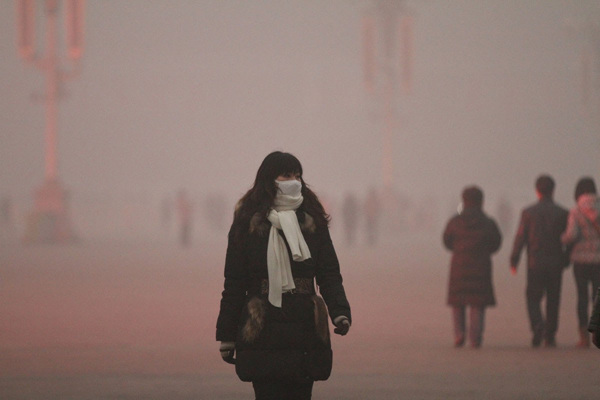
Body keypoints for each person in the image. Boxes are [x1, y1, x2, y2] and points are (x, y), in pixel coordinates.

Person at [216, 151, 352, 399]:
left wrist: (340, 311)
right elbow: (234, 282)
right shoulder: (247, 222)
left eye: (297, 176)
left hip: (304, 325)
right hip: (262, 325)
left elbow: (329, 273)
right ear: (269, 179)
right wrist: (227, 335)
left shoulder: (312, 219)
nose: (294, 181)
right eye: (286, 175)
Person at [510, 175, 569, 348]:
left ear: (537, 191)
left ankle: (537, 326)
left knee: (533, 297)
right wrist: (566, 259)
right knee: (553, 298)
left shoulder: (528, 212)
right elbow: (569, 239)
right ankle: (550, 334)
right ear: (553, 190)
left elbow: (520, 237)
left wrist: (514, 260)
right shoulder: (563, 213)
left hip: (535, 262)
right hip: (556, 262)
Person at [443, 186, 502, 348]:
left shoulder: (454, 221)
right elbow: (496, 243)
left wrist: (458, 249)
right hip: (481, 266)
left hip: (459, 265)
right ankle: (475, 338)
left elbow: (446, 241)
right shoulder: (488, 223)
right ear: (481, 201)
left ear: (463, 200)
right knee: (477, 303)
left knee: (458, 302)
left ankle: (459, 334)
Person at [560, 177, 600, 348]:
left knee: (582, 298)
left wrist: (561, 238)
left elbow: (571, 236)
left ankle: (584, 337)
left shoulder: (576, 211)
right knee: (597, 299)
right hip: (599, 261)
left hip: (581, 261)